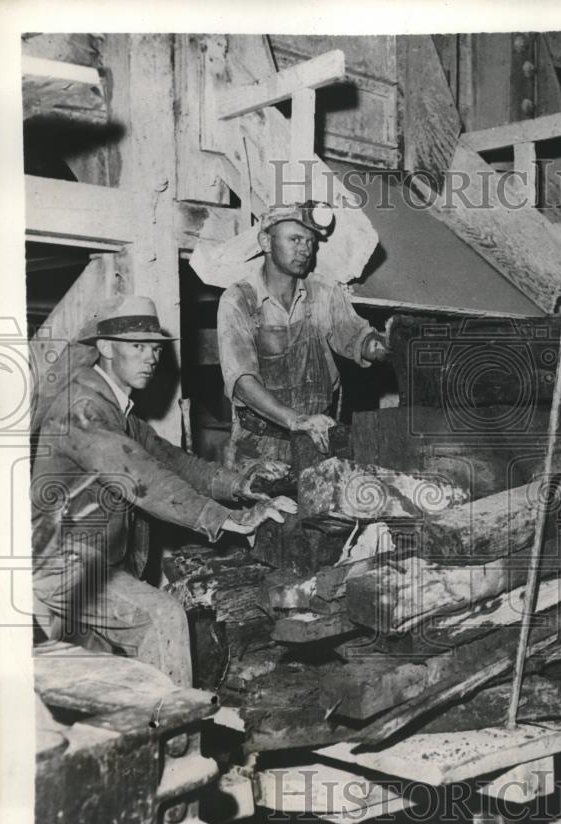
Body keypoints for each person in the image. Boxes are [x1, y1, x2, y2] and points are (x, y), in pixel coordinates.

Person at [31, 294, 296, 687]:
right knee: (163, 617)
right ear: (105, 348)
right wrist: (228, 519)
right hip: (61, 566)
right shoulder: (83, 407)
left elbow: (171, 460)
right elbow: (142, 477)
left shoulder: (118, 410)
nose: (151, 357)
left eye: (154, 347)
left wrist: (240, 485)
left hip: (90, 564)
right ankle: (180, 746)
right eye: (137, 346)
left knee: (98, 690)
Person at [216, 201, 389, 469]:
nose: (305, 250)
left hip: (316, 440)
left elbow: (356, 338)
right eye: (295, 239)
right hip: (259, 449)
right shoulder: (239, 300)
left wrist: (383, 345)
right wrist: (295, 420)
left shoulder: (323, 293)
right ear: (265, 241)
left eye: (310, 242)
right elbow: (242, 381)